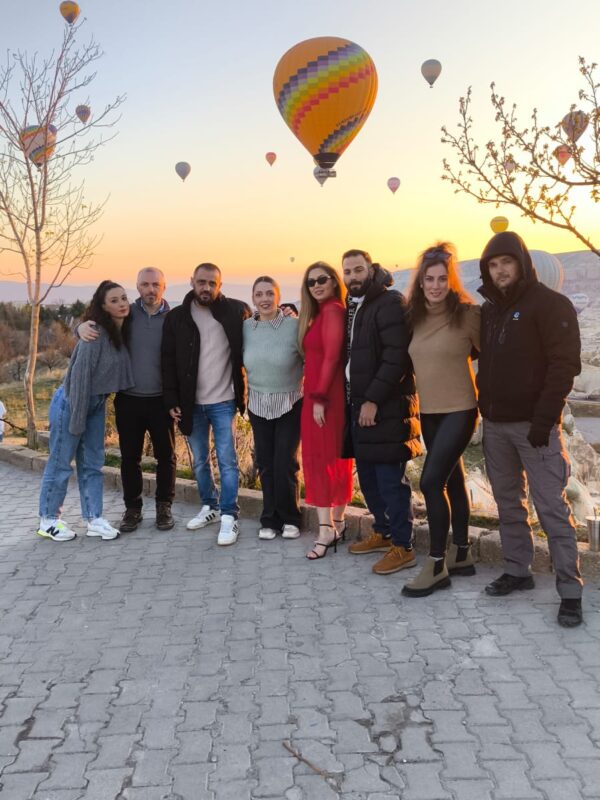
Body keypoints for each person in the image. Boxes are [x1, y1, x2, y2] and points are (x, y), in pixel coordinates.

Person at [477, 231, 583, 627]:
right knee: (509, 504)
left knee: (552, 508)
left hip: (534, 428)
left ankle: (570, 589)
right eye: (493, 264)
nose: (500, 270)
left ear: (522, 264)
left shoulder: (550, 304)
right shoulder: (489, 310)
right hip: (495, 425)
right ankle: (517, 571)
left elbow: (564, 366)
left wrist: (544, 420)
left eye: (507, 262)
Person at [402, 243, 481, 597]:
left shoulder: (467, 315)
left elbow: (489, 355)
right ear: (420, 283)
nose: (435, 286)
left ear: (451, 282)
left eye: (442, 279)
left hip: (461, 409)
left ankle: (436, 565)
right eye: (429, 279)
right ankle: (461, 552)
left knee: (431, 483)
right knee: (452, 480)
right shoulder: (414, 318)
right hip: (429, 412)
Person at [77, 268, 176, 533]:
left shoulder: (174, 318)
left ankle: (164, 507)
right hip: (128, 400)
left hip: (161, 401)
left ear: (164, 287)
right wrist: (80, 326)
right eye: (145, 284)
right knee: (129, 458)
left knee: (165, 457)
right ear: (138, 287)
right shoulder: (126, 314)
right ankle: (133, 509)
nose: (150, 289)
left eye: (156, 284)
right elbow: (97, 321)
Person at [344, 249, 422, 574]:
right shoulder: (358, 306)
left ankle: (403, 547)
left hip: (385, 409)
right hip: (361, 408)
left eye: (357, 270)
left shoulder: (390, 302)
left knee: (391, 481)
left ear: (371, 269)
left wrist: (373, 399)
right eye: (346, 272)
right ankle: (384, 531)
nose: (352, 277)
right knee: (370, 479)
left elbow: (397, 357)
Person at [161, 263, 251, 545]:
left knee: (227, 460)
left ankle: (229, 516)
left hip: (223, 400)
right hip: (191, 404)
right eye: (201, 282)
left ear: (220, 284)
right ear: (192, 282)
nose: (206, 287)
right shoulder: (177, 317)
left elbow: (259, 333)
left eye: (212, 283)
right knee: (199, 461)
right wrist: (171, 399)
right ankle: (209, 506)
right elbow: (167, 361)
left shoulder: (237, 311)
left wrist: (288, 313)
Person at [37, 281, 134, 542]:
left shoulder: (120, 329)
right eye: (114, 300)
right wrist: (77, 421)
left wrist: (76, 327)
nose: (122, 303)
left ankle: (94, 519)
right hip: (72, 403)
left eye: (123, 298)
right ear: (102, 306)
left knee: (93, 464)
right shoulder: (95, 334)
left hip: (95, 404)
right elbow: (78, 380)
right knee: (60, 463)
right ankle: (48, 520)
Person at [299, 262, 353, 559]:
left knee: (321, 462)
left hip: (323, 399)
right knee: (334, 460)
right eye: (311, 282)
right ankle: (339, 522)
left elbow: (332, 357)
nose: (317, 285)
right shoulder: (322, 313)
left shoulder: (332, 311)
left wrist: (318, 397)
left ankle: (325, 530)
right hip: (321, 397)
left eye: (322, 279)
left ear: (334, 282)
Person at [243, 276, 303, 540]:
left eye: (270, 294)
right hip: (258, 402)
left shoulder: (294, 325)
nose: (265, 299)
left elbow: (310, 357)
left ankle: (291, 518)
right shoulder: (246, 328)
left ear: (278, 297)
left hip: (290, 401)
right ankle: (269, 520)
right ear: (253, 298)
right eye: (259, 294)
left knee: (285, 462)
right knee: (265, 463)